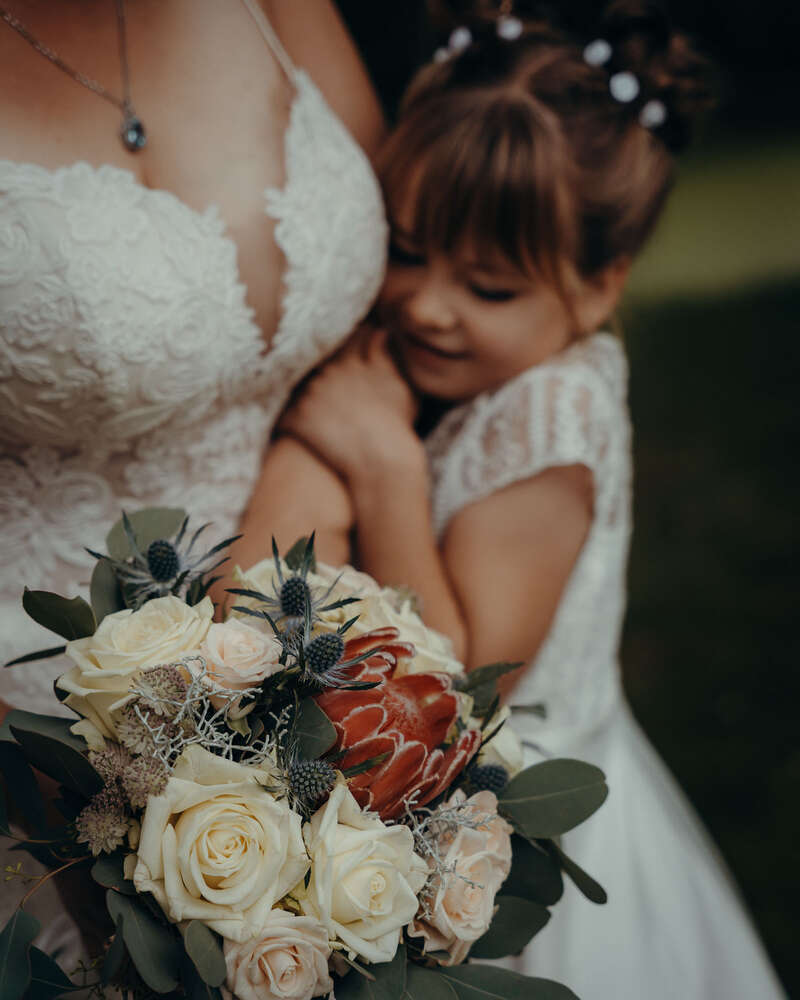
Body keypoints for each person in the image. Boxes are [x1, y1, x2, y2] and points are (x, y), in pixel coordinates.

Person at [264, 3, 787, 996]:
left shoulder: (549, 421)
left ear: (598, 287)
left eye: (489, 286)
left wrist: (384, 466)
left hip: (513, 845)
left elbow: (464, 689)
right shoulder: (501, 369)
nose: (426, 303)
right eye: (410, 250)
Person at [0, 0, 387, 966]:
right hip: (49, 738)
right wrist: (91, 803)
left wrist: (310, 503)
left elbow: (412, 263)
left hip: (327, 639)